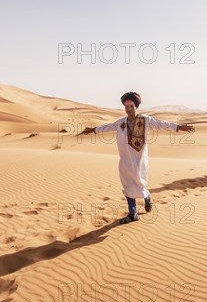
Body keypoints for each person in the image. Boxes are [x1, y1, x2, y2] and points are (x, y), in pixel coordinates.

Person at [81, 92, 194, 224]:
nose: (129, 109)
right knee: (127, 185)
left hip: (139, 161)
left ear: (136, 106)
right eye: (126, 106)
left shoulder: (145, 120)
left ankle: (147, 197)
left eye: (131, 106)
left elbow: (161, 124)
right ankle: (133, 213)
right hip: (125, 161)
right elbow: (109, 127)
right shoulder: (121, 122)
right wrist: (94, 130)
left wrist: (178, 127)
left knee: (139, 184)